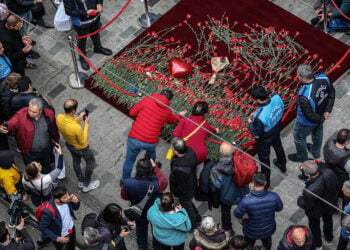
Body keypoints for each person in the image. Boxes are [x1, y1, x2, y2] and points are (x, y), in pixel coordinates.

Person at [121, 89, 186, 182]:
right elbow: (172, 120)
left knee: (129, 162)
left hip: (135, 138)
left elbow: (132, 112)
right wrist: (179, 115)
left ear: (159, 94)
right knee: (152, 154)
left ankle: (124, 181)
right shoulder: (167, 111)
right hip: (150, 142)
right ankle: (151, 167)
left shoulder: (147, 100)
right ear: (169, 100)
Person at [288, 64, 335, 163]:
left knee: (299, 137)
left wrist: (322, 117)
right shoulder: (324, 77)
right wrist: (327, 111)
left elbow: (308, 115)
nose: (296, 76)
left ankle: (301, 156)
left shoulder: (304, 94)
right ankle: (315, 152)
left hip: (305, 122)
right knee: (318, 133)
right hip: (321, 115)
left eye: (298, 75)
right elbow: (331, 93)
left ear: (304, 78)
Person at [0, 98, 59, 174]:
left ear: (40, 110)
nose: (30, 113)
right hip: (29, 153)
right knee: (33, 172)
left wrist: (56, 141)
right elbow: (12, 122)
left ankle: (46, 178)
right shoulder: (21, 115)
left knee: (46, 166)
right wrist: (3, 127)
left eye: (34, 112)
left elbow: (54, 129)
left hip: (46, 150)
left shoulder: (49, 114)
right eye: (29, 110)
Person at [121, 157, 168, 250]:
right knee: (157, 231)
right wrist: (156, 167)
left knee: (141, 231)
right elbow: (165, 181)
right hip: (155, 212)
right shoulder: (157, 184)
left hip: (139, 212)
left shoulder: (127, 183)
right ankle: (157, 247)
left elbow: (124, 197)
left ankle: (142, 247)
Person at [56, 99, 99, 192]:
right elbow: (82, 141)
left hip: (70, 145)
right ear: (73, 111)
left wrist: (79, 118)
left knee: (76, 161)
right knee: (91, 163)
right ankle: (86, 184)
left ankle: (80, 181)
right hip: (82, 149)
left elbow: (68, 124)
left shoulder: (59, 117)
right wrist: (86, 124)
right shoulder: (76, 128)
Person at [248, 86, 286, 186]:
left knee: (264, 160)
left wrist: (250, 123)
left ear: (258, 100)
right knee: (278, 147)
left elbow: (256, 133)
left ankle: (266, 182)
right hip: (276, 128)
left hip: (265, 138)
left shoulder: (259, 115)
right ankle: (282, 165)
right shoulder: (277, 98)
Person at [234, 172, 283, 250]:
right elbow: (279, 208)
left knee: (249, 244)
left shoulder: (246, 201)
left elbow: (237, 214)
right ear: (265, 183)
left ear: (253, 184)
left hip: (251, 231)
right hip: (268, 229)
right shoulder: (274, 196)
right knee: (267, 243)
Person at [210, 142, 249, 234]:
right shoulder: (239, 160)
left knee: (226, 212)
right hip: (242, 191)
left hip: (227, 195)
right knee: (244, 206)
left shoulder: (216, 169)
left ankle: (228, 229)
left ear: (220, 153)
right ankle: (245, 219)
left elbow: (216, 186)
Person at [297, 160, 337, 248]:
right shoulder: (329, 172)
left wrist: (300, 200)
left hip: (316, 211)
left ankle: (318, 244)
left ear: (307, 175)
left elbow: (307, 205)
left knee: (314, 227)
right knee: (328, 220)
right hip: (329, 203)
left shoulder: (309, 191)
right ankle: (329, 238)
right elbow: (335, 184)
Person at [63, 0, 112, 70]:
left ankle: (98, 48)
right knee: (82, 40)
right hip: (81, 23)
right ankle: (82, 57)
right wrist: (85, 12)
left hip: (95, 18)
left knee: (95, 33)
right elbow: (69, 11)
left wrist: (99, 3)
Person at [173, 101, 219, 167]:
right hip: (198, 156)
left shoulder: (185, 120)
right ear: (205, 113)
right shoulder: (206, 125)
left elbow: (176, 135)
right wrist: (217, 130)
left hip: (182, 152)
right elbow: (214, 131)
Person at [169, 137, 200, 230]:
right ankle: (198, 218)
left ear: (176, 152)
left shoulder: (180, 169)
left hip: (185, 192)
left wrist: (175, 193)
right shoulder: (191, 153)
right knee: (189, 203)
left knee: (187, 207)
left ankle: (194, 225)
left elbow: (181, 186)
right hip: (192, 184)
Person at [39, 185, 80, 250]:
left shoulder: (66, 198)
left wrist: (76, 201)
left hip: (71, 229)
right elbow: (42, 227)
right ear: (57, 200)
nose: (68, 197)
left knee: (72, 245)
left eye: (67, 195)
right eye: (65, 197)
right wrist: (57, 238)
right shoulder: (48, 211)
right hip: (61, 235)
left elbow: (76, 207)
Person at [323, 129, 350, 196]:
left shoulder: (328, 144)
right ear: (346, 142)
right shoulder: (346, 159)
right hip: (342, 178)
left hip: (331, 171)